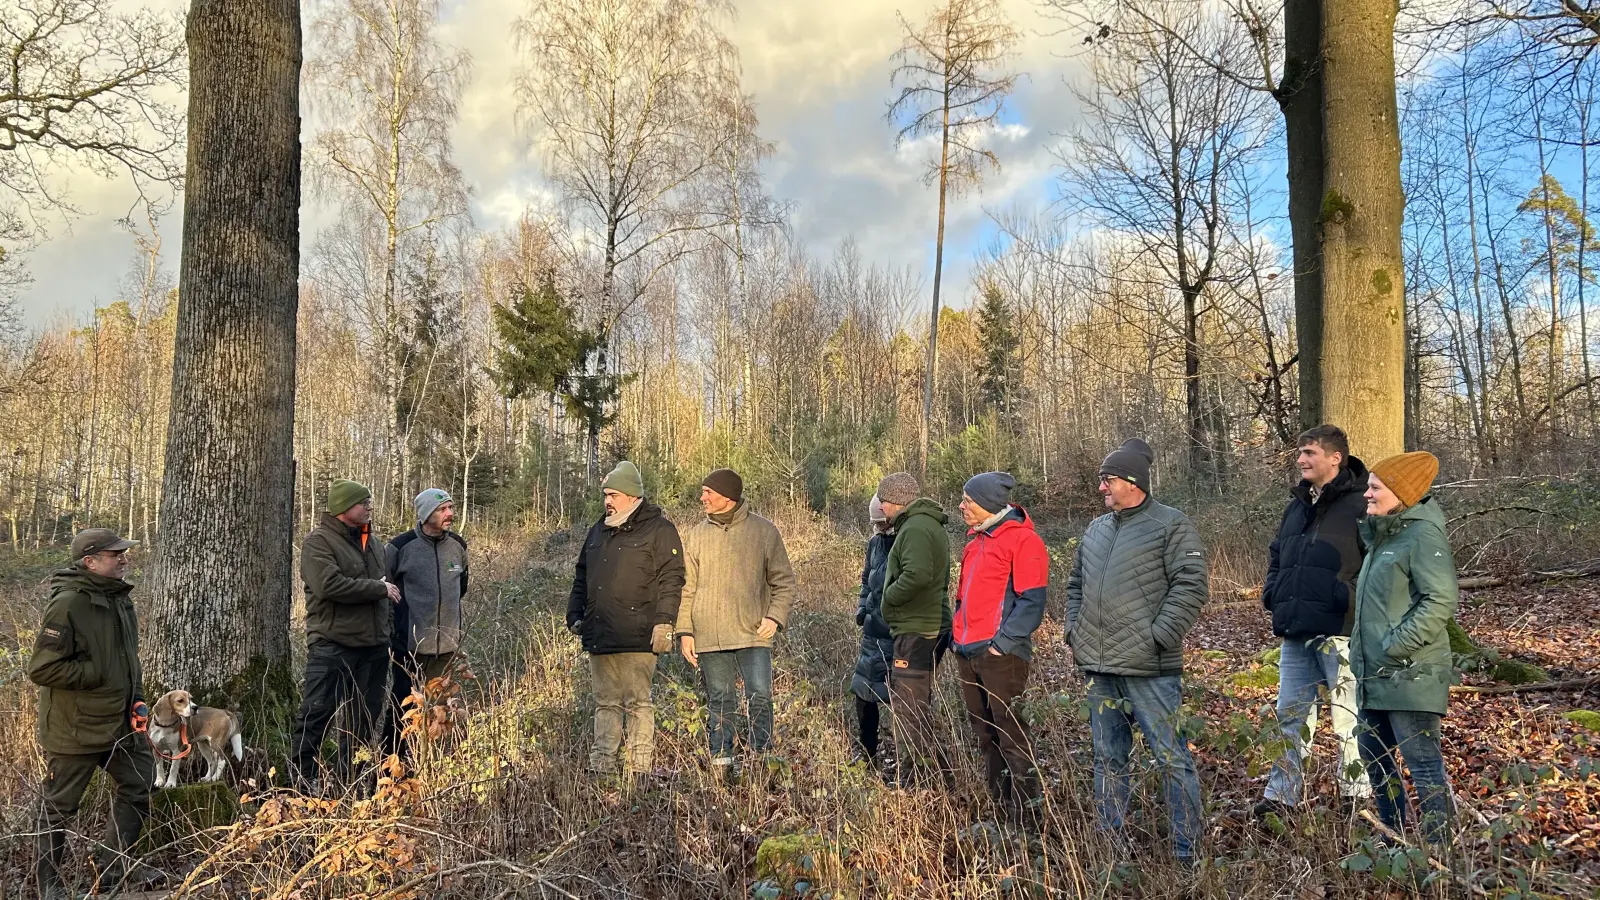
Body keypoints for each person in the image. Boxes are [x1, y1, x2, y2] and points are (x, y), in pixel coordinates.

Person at [1066, 439, 1207, 863]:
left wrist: (1158, 636)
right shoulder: (1096, 528)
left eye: (1107, 480)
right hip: (1099, 666)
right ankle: (1110, 847)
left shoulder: (1171, 525)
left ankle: (1188, 854)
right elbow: (1075, 586)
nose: (1101, 488)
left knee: (1171, 759)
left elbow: (1191, 585)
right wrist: (1074, 630)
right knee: (1107, 758)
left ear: (1133, 482)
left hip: (1151, 669)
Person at [28, 528, 160, 898]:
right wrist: (96, 674)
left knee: (139, 783)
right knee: (58, 807)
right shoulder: (69, 603)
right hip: (76, 728)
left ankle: (115, 869)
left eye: (123, 552)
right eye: (115, 554)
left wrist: (138, 700)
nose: (124, 558)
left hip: (120, 722)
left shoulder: (120, 600)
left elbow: (128, 661)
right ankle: (49, 884)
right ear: (90, 561)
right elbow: (42, 668)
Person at [1254, 425, 1373, 821]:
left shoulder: (1362, 503)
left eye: (1309, 453)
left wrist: (1348, 599)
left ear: (1335, 457)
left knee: (1348, 717)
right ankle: (1280, 797)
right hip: (1295, 628)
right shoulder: (1297, 504)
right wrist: (1273, 592)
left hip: (1340, 631)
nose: (1301, 460)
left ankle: (1356, 797)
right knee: (1289, 715)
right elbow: (1278, 553)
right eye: (1300, 453)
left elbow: (1376, 562)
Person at [1350, 451, 1458, 849]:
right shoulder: (1385, 535)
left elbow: (1440, 599)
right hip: (1375, 672)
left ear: (1401, 492)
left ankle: (1439, 854)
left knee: (1423, 765)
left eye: (1376, 487)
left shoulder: (1422, 535)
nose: (1367, 494)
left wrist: (1397, 646)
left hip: (1409, 672)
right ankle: (1392, 839)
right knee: (1375, 758)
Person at [675, 468, 797, 783]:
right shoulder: (697, 534)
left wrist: (774, 617)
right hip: (709, 635)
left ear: (728, 497)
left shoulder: (764, 532)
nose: (702, 498)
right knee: (720, 700)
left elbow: (784, 581)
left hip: (753, 633)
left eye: (708, 493)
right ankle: (722, 769)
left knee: (759, 696)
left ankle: (762, 765)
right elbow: (686, 588)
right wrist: (685, 632)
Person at [567, 461, 685, 778]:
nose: (607, 500)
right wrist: (575, 613)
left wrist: (664, 623)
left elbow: (673, 579)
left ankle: (639, 769)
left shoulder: (660, 530)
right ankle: (602, 767)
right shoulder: (597, 530)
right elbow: (582, 575)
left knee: (638, 704)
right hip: (600, 634)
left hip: (639, 635)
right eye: (606, 494)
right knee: (605, 703)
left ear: (632, 496)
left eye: (613, 494)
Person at [290, 479, 398, 791]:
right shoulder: (318, 543)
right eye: (362, 502)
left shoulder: (375, 544)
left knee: (363, 721)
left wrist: (386, 631)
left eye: (369, 501)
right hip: (333, 646)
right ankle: (303, 783)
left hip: (374, 648)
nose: (369, 507)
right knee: (316, 716)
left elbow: (388, 593)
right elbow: (329, 585)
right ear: (342, 508)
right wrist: (377, 588)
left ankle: (351, 783)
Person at [952, 472, 1048, 818]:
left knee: (1011, 735)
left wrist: (1000, 644)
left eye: (968, 500)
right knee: (984, 734)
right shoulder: (973, 542)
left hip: (1001, 657)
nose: (962, 506)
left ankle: (1026, 816)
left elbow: (1032, 603)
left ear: (989, 505)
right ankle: (999, 806)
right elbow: (963, 598)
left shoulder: (1023, 541)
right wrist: (956, 634)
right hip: (967, 652)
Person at [876, 471, 953, 787]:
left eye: (883, 501)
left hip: (918, 630)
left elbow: (918, 575)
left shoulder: (917, 528)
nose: (880, 508)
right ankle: (936, 775)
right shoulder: (920, 525)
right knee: (915, 704)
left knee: (907, 708)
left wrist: (888, 597)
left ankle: (915, 782)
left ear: (896, 501)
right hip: (923, 625)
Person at [384, 488, 469, 755]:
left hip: (446, 647)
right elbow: (384, 591)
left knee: (441, 708)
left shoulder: (458, 546)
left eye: (451, 508)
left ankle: (433, 761)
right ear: (425, 514)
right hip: (409, 645)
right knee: (404, 706)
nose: (450, 514)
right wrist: (396, 631)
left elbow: (461, 586)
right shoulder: (399, 547)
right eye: (443, 509)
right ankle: (393, 760)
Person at [850, 496, 896, 769]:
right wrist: (862, 610)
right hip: (872, 633)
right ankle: (868, 755)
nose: (879, 529)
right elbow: (866, 580)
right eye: (875, 524)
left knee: (902, 699)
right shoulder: (874, 544)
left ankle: (913, 761)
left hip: (899, 635)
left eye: (882, 523)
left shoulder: (907, 541)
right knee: (863, 693)